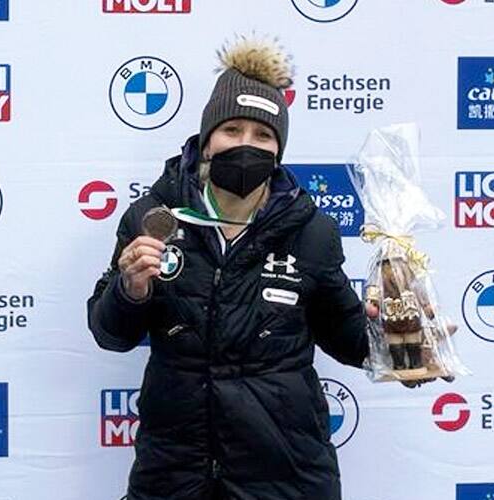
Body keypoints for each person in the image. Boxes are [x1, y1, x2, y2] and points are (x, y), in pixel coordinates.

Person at [87, 36, 370, 500]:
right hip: (175, 473)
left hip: (285, 475)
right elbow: (109, 333)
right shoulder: (153, 217)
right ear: (206, 139)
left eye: (263, 135)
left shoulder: (310, 230)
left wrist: (407, 339)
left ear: (279, 151)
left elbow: (349, 337)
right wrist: (130, 290)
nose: (246, 144)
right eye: (232, 129)